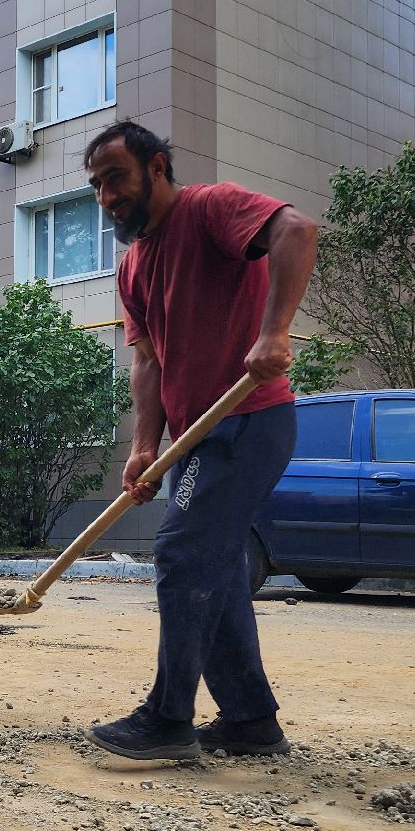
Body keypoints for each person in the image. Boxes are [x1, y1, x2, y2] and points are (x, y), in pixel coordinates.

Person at [80, 121, 318, 760]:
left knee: (183, 554)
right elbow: (149, 361)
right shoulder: (133, 265)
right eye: (97, 186)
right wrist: (143, 445)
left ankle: (167, 719)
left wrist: (275, 332)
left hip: (249, 421)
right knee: (213, 566)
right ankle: (248, 722)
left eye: (116, 178)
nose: (106, 197)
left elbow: (297, 230)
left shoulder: (211, 208)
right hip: (195, 437)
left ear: (157, 166)